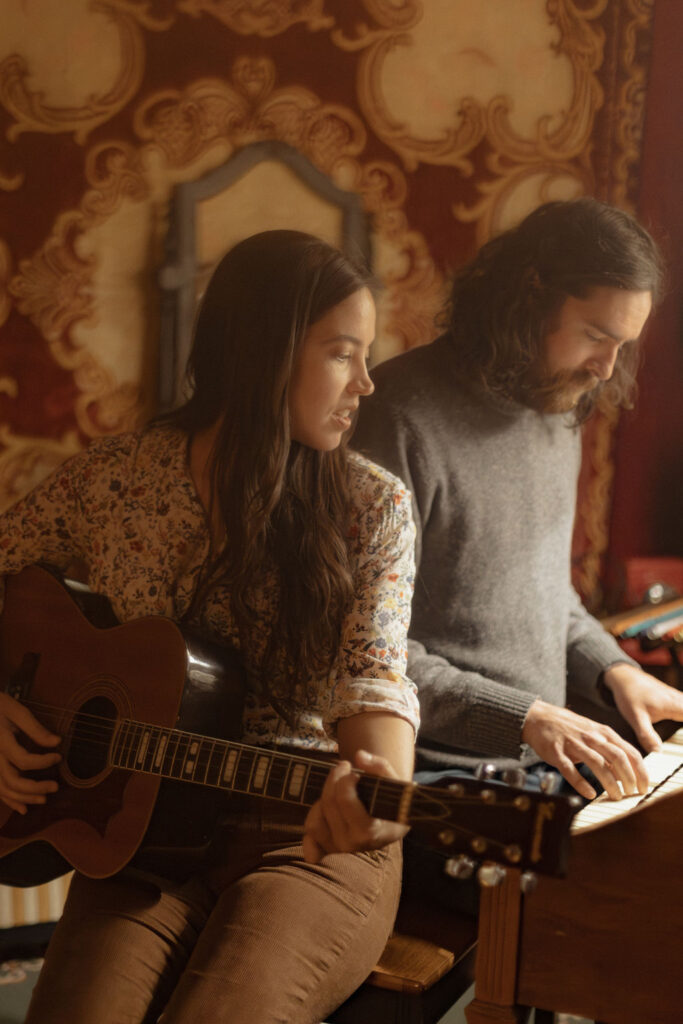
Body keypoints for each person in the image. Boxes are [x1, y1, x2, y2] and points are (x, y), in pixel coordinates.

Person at [0, 230, 420, 1023]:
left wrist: (377, 787)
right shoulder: (116, 478)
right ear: (260, 351)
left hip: (305, 838)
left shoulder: (372, 506)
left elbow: (377, 678)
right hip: (137, 833)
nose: (367, 382)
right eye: (341, 352)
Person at [353, 198, 683, 813]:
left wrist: (616, 672)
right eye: (595, 335)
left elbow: (542, 594)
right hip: (434, 780)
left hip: (541, 766)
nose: (608, 368)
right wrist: (526, 718)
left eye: (623, 344)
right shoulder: (398, 419)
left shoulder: (558, 407)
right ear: (529, 300)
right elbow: (366, 655)